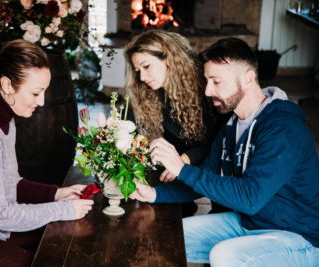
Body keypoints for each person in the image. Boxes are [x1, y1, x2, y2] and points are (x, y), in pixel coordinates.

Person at [130, 38, 319, 266]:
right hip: (250, 223)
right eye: (207, 81)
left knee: (226, 255)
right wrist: (154, 194)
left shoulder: (282, 127)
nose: (208, 91)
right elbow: (205, 175)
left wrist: (181, 168)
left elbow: (250, 198)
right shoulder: (232, 126)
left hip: (299, 237)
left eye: (216, 82)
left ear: (248, 78)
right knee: (167, 234)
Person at [0, 39, 94, 267]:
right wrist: (62, 209)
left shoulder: (4, 115)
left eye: (44, 92)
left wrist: (57, 194)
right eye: (36, 93)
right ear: (7, 85)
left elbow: (12, 183)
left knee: (76, 238)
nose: (42, 102)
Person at [124, 30, 227, 216]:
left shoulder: (206, 89)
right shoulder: (145, 90)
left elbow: (216, 143)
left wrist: (183, 160)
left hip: (200, 166)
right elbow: (128, 129)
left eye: (147, 66)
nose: (141, 77)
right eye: (138, 70)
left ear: (169, 59)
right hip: (162, 166)